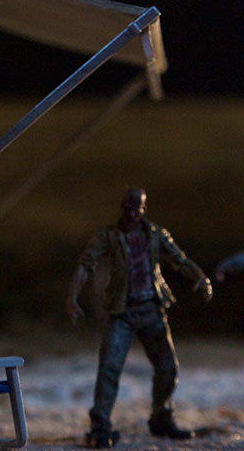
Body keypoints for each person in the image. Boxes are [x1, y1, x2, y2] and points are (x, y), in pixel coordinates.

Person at [67, 187, 212, 447]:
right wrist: (73, 296)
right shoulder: (109, 236)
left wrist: (201, 278)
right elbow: (85, 263)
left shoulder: (155, 234)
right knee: (109, 368)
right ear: (121, 208)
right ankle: (100, 427)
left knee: (168, 367)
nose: (131, 215)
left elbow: (180, 260)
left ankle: (161, 418)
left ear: (143, 210)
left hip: (151, 309)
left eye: (136, 210)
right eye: (127, 209)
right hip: (122, 312)